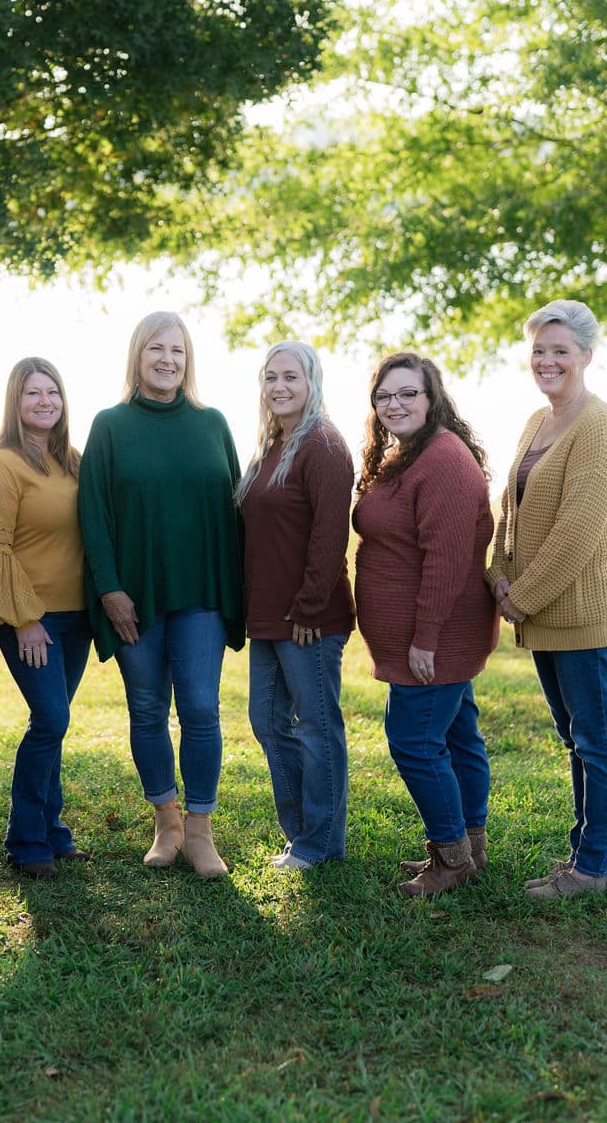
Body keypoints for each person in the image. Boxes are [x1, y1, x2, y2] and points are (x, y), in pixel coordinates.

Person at [77, 311, 244, 879]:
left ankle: (200, 831)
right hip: (135, 596)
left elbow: (233, 511)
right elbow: (92, 512)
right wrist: (110, 589)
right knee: (147, 709)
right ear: (137, 356)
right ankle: (166, 823)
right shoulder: (110, 425)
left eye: (177, 350)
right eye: (156, 349)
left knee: (199, 707)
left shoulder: (212, 422)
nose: (167, 359)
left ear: (188, 359)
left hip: (202, 592)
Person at [488, 299, 607, 900]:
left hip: (582, 616)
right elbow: (511, 510)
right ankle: (579, 859)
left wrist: (522, 597)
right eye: (539, 352)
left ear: (586, 357)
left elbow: (580, 529)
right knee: (575, 739)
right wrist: (498, 572)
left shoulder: (601, 427)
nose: (548, 362)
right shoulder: (535, 422)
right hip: (541, 612)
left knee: (595, 742)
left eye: (560, 352)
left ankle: (591, 870)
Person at [353, 352, 498, 898]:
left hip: (437, 640)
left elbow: (449, 558)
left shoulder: (442, 459)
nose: (395, 404)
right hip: (428, 640)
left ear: (431, 397)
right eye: (385, 395)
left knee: (413, 741)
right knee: (458, 736)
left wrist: (425, 638)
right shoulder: (406, 456)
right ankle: (470, 848)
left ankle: (451, 857)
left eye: (408, 393)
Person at [0, 358, 92, 881]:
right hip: (29, 617)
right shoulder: (0, 465)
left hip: (77, 617)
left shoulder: (72, 461)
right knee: (51, 720)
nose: (45, 402)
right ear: (14, 403)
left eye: (53, 393)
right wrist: (23, 619)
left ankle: (53, 831)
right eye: (32, 393)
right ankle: (25, 840)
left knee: (53, 723)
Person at [239, 342, 355, 871]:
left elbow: (331, 536)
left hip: (308, 619)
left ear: (312, 382)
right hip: (267, 615)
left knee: (315, 725)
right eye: (270, 378)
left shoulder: (324, 445)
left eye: (291, 376)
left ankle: (321, 842)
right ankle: (302, 834)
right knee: (266, 720)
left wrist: (309, 607)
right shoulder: (271, 445)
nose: (279, 386)